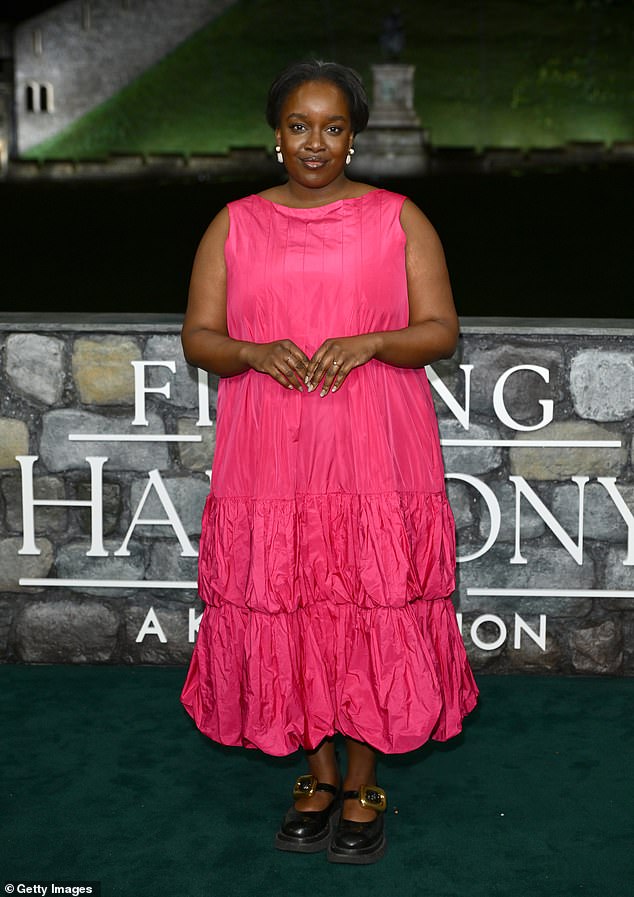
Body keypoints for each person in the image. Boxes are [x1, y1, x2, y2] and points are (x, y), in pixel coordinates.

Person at [180, 59, 478, 865]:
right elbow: (199, 338)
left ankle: (363, 781)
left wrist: (373, 339)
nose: (317, 142)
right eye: (300, 126)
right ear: (275, 136)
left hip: (375, 439)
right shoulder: (235, 222)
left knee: (371, 598)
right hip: (271, 446)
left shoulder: (398, 218)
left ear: (355, 135)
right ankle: (314, 773)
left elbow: (440, 329)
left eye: (334, 126)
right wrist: (247, 349)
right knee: (291, 598)